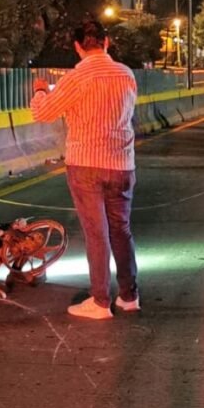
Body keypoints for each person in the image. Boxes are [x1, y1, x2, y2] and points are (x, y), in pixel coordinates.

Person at [31, 20, 139, 320]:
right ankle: (129, 296)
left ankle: (100, 302)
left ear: (77, 47)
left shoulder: (76, 77)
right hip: (122, 163)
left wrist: (40, 91)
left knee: (96, 233)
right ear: (106, 42)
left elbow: (42, 113)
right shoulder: (126, 74)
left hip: (87, 163)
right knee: (121, 230)